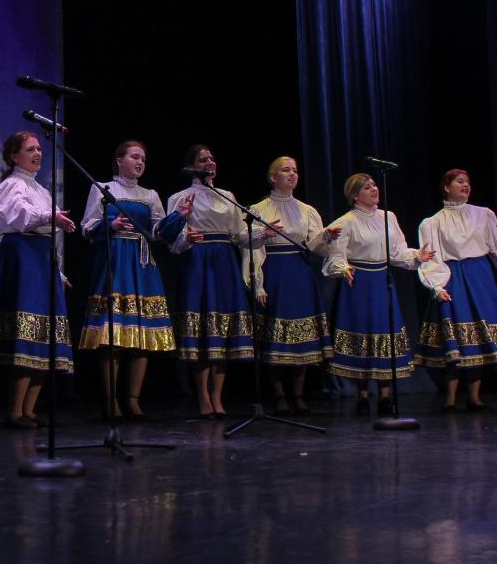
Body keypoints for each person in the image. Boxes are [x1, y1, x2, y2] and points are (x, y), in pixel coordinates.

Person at [415, 169, 497, 411]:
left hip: (479, 277)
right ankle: (451, 398)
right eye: (460, 182)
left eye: (468, 182)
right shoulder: (432, 222)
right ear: (446, 187)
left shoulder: (483, 215)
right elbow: (430, 258)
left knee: (479, 337)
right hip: (452, 276)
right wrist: (436, 286)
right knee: (456, 340)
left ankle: (474, 397)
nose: (466, 186)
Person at [0, 131, 75, 428]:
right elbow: (18, 215)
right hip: (23, 258)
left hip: (41, 259)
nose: (38, 153)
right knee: (26, 334)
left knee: (45, 336)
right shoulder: (11, 185)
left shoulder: (41, 190)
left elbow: (47, 234)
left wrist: (58, 272)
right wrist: (48, 218)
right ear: (14, 156)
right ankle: (15, 410)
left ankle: (30, 409)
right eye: (31, 149)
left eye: (40, 149)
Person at [163, 144, 271, 419]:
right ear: (191, 166)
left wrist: (263, 234)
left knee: (223, 332)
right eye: (203, 159)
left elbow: (239, 235)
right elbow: (171, 239)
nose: (210, 161)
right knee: (203, 332)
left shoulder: (227, 196)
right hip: (198, 261)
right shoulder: (181, 197)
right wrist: (187, 238)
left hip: (224, 262)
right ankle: (202, 396)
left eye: (212, 157)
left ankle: (217, 396)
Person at [77, 141, 175, 421]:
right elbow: (87, 226)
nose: (140, 162)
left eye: (143, 158)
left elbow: (158, 231)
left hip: (142, 264)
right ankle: (110, 401)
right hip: (115, 261)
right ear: (119, 160)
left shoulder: (150, 194)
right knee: (112, 337)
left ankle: (133, 400)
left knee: (141, 336)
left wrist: (179, 217)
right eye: (135, 157)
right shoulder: (102, 188)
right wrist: (111, 226)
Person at [323, 173, 435, 415]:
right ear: (355, 195)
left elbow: (398, 253)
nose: (374, 189)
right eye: (367, 187)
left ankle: (385, 396)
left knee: (384, 335)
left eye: (374, 185)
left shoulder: (388, 217)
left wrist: (416, 256)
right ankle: (363, 395)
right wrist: (344, 269)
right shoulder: (346, 222)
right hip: (358, 283)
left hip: (382, 280)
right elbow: (335, 259)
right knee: (362, 336)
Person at [248, 156, 340, 415]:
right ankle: (279, 394)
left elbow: (315, 247)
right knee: (275, 337)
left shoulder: (307, 210)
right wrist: (258, 285)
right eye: (286, 170)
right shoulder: (259, 209)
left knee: (302, 338)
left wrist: (326, 238)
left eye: (295, 170)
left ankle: (298, 393)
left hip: (299, 273)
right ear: (273, 177)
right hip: (274, 272)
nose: (292, 174)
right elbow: (253, 251)